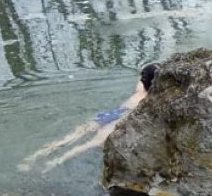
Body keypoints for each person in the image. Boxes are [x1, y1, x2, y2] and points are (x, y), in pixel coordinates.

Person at [20, 64, 159, 172]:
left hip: (111, 114)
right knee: (90, 143)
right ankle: (55, 162)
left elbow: (142, 75)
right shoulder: (153, 97)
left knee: (71, 136)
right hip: (121, 117)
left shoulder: (139, 88)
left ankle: (35, 157)